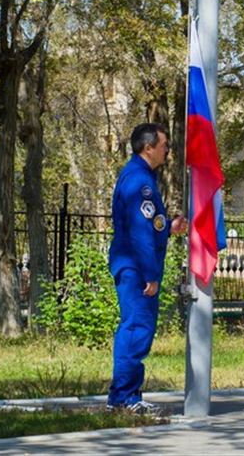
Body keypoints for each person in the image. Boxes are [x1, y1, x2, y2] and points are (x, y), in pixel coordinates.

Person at [107, 123, 187, 414]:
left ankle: (128, 394)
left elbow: (148, 225)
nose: (168, 149)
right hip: (137, 267)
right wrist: (150, 275)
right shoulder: (139, 181)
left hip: (135, 263)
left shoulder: (142, 177)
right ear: (148, 147)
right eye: (164, 144)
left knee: (138, 327)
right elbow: (140, 233)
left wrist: (168, 228)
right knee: (136, 328)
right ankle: (124, 397)